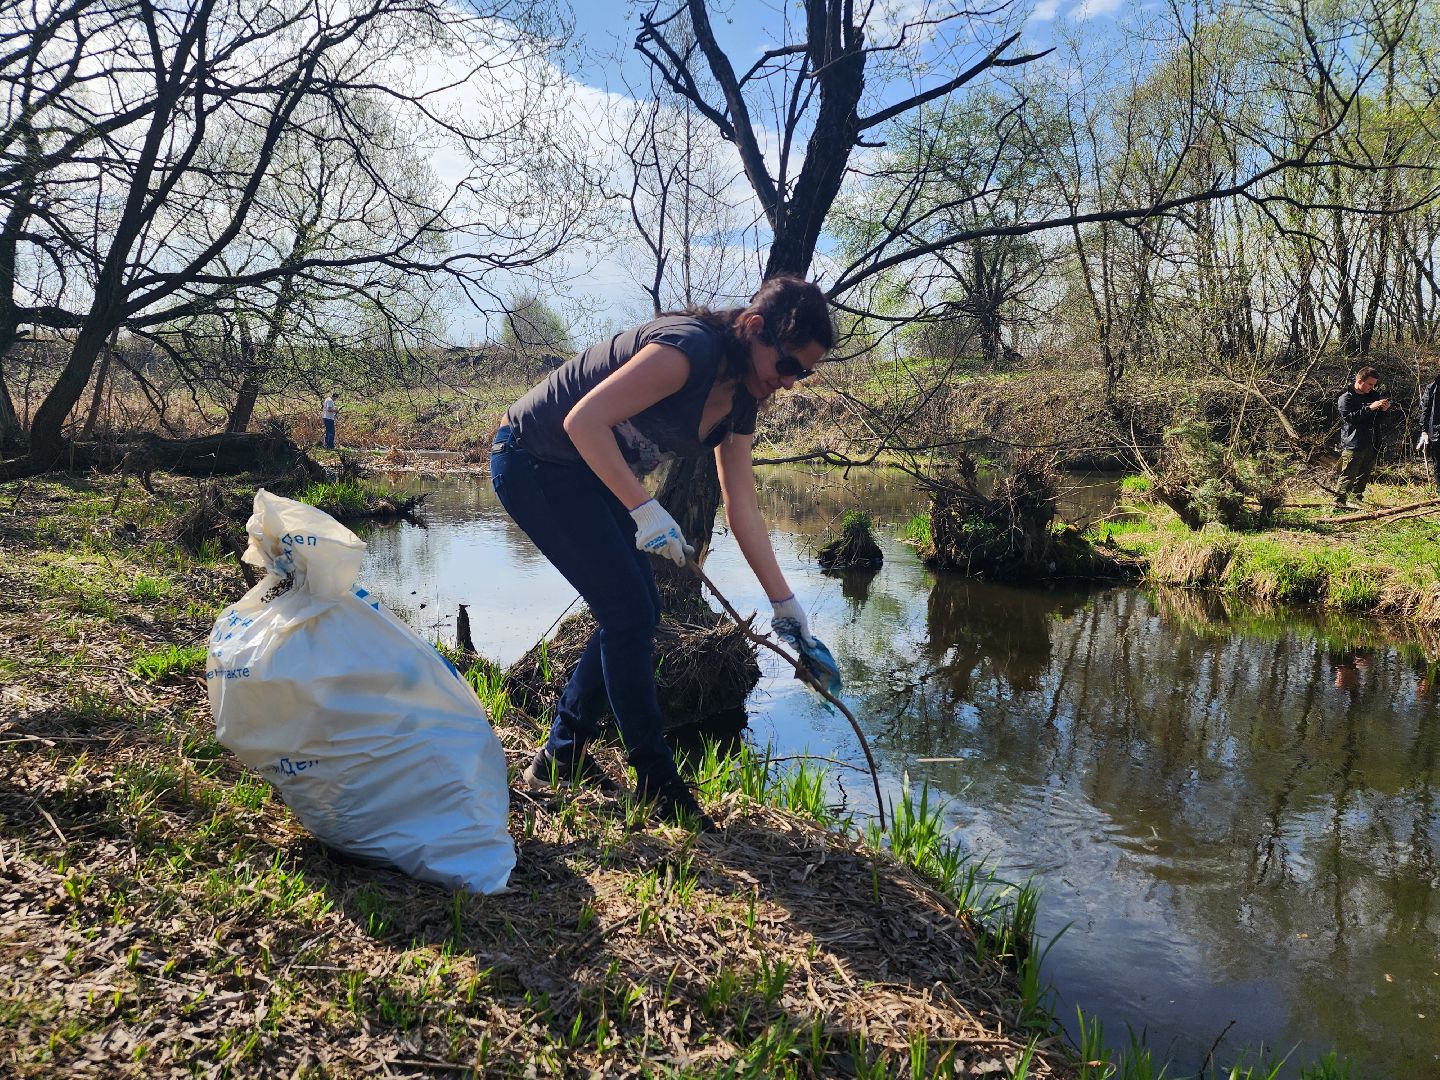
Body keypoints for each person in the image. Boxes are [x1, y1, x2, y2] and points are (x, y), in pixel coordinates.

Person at [489, 276, 833, 830]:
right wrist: (645, 508)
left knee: (636, 610)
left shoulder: (743, 398)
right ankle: (655, 781)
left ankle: (560, 758)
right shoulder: (687, 351)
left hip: (585, 474)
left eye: (803, 373)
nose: (790, 382)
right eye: (788, 364)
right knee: (629, 612)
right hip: (534, 458)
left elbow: (742, 504)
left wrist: (785, 605)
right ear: (754, 328)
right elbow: (582, 422)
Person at [1334, 367, 1389, 510]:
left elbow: (1378, 420)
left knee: (1364, 474)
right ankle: (1339, 502)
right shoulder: (1346, 398)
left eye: (1374, 385)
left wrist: (1383, 410)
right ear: (1359, 381)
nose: (1372, 388)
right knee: (1348, 474)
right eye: (1370, 384)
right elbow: (1350, 418)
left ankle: (1356, 499)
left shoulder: (1374, 395)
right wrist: (1369, 408)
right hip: (1353, 442)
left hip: (1372, 441)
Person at [1420, 364, 1440, 493]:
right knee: (1438, 463)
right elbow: (1425, 410)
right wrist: (1424, 430)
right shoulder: (1432, 387)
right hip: (1437, 432)